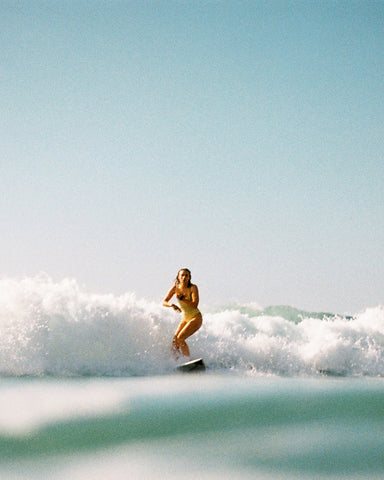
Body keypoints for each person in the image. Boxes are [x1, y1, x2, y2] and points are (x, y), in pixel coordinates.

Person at [162, 268, 203, 358]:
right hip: (185, 318)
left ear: (189, 277)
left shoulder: (193, 288)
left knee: (180, 338)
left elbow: (195, 305)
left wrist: (183, 299)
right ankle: (176, 361)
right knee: (175, 342)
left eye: (186, 275)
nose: (184, 277)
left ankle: (188, 361)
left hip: (195, 317)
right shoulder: (175, 288)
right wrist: (171, 305)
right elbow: (164, 301)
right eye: (182, 275)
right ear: (178, 277)